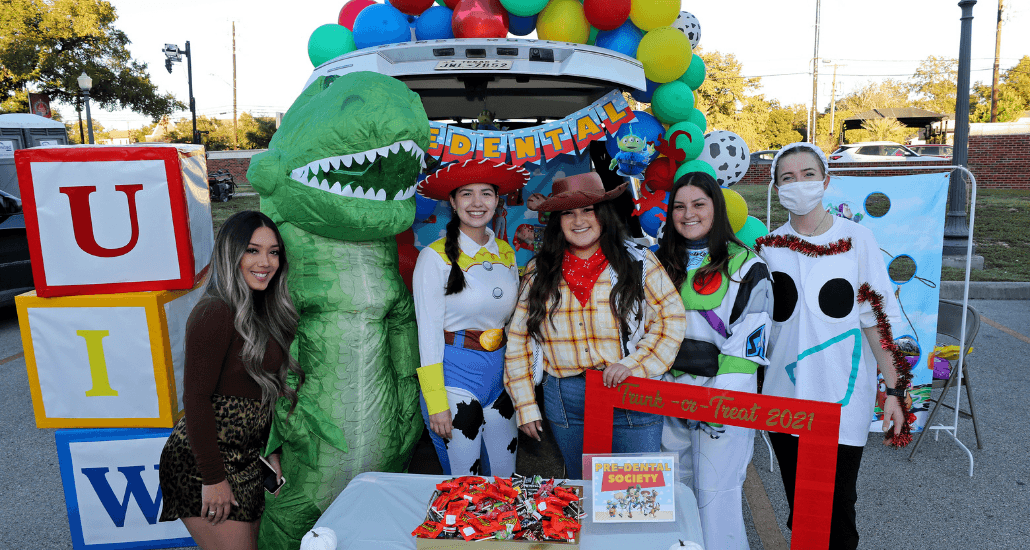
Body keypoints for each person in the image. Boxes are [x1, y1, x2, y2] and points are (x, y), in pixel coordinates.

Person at [757, 142, 912, 550]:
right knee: (802, 507)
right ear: (777, 188)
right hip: (784, 396)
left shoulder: (857, 239)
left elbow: (876, 323)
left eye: (808, 174)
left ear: (826, 181)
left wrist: (894, 391)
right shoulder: (768, 248)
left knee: (839, 508)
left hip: (840, 399)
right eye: (787, 177)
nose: (799, 183)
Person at [504, 172, 686, 480]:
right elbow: (519, 339)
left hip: (631, 389)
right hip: (566, 399)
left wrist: (634, 365)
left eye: (587, 210)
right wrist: (524, 404)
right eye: (568, 213)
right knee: (585, 486)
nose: (578, 221)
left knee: (636, 492)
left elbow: (672, 320)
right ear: (557, 221)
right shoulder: (539, 270)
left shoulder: (638, 261)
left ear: (603, 214)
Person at [159, 211, 304, 550]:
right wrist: (213, 479)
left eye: (273, 252)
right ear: (230, 253)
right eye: (252, 250)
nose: (265, 262)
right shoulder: (215, 312)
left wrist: (270, 450)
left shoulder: (265, 310)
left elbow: (263, 391)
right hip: (204, 464)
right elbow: (195, 400)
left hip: (248, 459)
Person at [655, 172, 772, 550]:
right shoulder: (657, 262)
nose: (688, 214)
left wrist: (716, 402)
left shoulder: (748, 266)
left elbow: (748, 346)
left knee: (715, 497)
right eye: (679, 206)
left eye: (698, 204)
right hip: (664, 395)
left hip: (720, 399)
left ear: (716, 209)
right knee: (670, 494)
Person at [412, 159, 530, 477]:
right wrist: (436, 400)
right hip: (454, 378)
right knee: (466, 486)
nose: (477, 202)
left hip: (500, 378)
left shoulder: (506, 253)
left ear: (497, 200)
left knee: (505, 477)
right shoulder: (433, 257)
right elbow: (428, 333)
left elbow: (514, 322)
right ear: (452, 202)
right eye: (466, 193)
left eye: (486, 193)